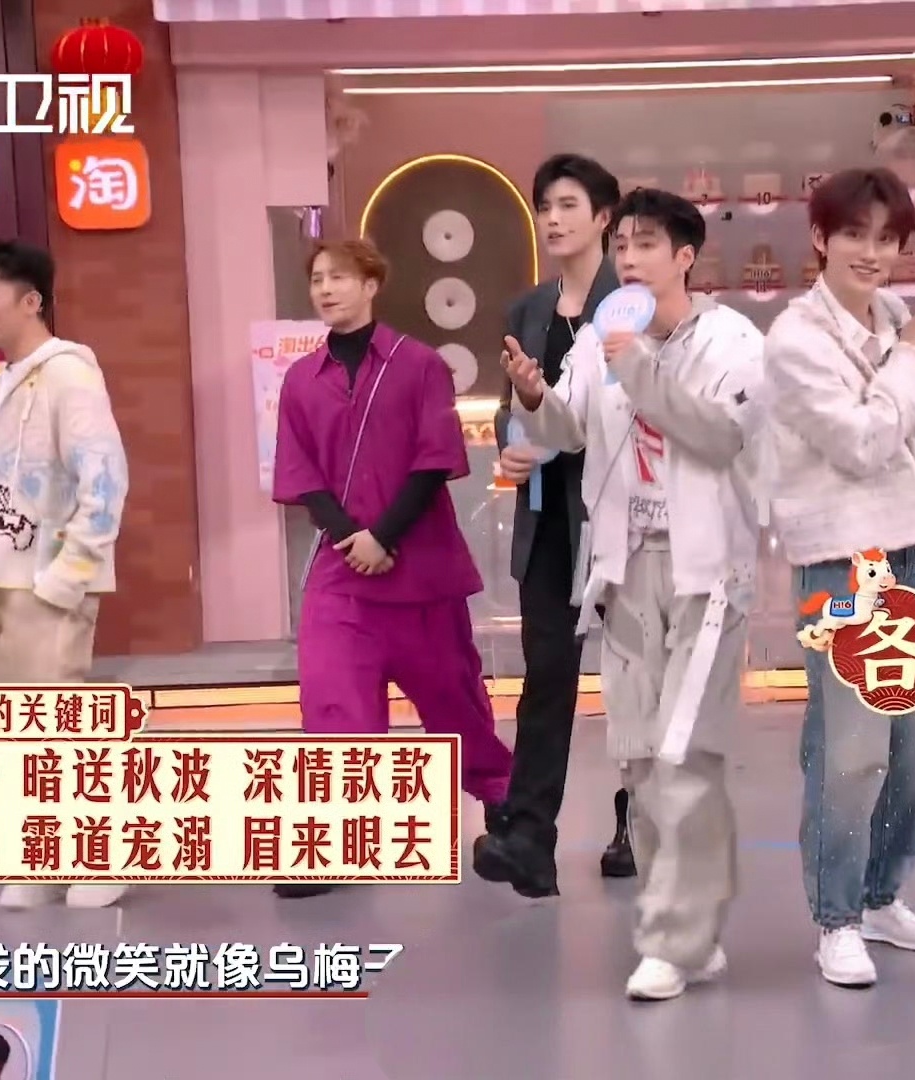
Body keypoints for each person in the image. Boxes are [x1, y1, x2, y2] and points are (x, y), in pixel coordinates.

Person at [504, 187, 763, 1001]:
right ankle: (693, 931)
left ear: (685, 257)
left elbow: (722, 435)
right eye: (622, 246)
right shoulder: (599, 340)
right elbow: (568, 432)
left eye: (646, 245)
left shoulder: (733, 341)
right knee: (645, 760)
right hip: (624, 570)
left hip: (707, 573)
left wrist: (641, 371)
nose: (629, 259)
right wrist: (536, 396)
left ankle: (670, 939)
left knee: (687, 754)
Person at [761, 168, 915, 988]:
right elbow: (863, 441)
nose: (872, 253)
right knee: (849, 752)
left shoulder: (892, 317)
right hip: (841, 559)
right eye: (855, 235)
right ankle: (836, 917)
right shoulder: (794, 338)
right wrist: (910, 364)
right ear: (820, 238)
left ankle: (880, 895)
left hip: (908, 547)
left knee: (913, 750)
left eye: (887, 238)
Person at [270, 238, 515, 900]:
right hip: (342, 572)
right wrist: (349, 537)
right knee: (333, 703)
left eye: (339, 277)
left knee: (453, 702)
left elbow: (435, 458)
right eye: (317, 279)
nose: (326, 289)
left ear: (371, 284)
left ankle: (502, 794)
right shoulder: (301, 379)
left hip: (420, 568)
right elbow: (300, 470)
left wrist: (384, 536)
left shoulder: (419, 364)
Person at [0, 238, 131, 913]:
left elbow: (105, 479)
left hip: (48, 581)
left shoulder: (70, 375)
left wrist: (67, 577)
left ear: (31, 300)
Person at [477, 154, 636, 898]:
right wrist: (515, 437)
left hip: (621, 513)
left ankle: (636, 821)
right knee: (546, 676)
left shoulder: (631, 305)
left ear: (603, 217)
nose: (553, 218)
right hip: (546, 518)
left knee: (636, 677)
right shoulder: (527, 310)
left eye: (569, 204)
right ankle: (531, 838)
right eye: (545, 206)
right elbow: (513, 404)